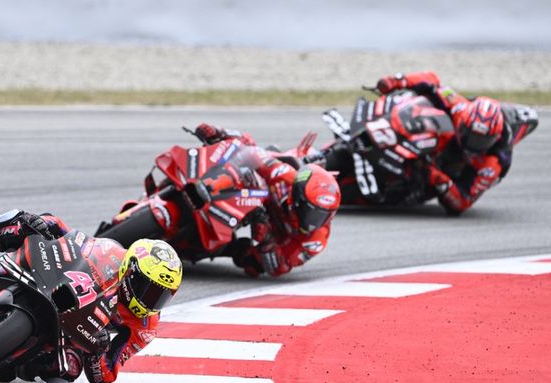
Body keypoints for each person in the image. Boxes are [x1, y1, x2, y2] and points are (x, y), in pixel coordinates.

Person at [0, 209, 183, 383]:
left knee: (65, 373)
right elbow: (77, 241)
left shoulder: (144, 328)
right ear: (130, 269)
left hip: (75, 335)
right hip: (56, 282)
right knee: (22, 221)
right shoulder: (112, 253)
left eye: (160, 295)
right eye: (148, 288)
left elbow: (106, 375)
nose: (151, 300)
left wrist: (99, 351)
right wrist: (44, 226)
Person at [375, 71, 538, 214]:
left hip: (462, 170)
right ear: (465, 123)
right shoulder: (460, 107)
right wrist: (398, 81)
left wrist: (438, 178)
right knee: (421, 103)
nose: (473, 143)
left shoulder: (492, 165)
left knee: (429, 185)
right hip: (451, 138)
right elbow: (432, 81)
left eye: (481, 140)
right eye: (471, 135)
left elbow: (461, 203)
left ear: (493, 139)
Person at [192, 123, 340, 277]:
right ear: (297, 198)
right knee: (245, 159)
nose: (314, 221)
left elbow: (280, 266)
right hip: (252, 200)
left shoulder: (315, 240)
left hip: (268, 234)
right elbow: (254, 152)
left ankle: (212, 244)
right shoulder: (285, 176)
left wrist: (267, 238)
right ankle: (208, 183)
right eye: (311, 212)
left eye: (323, 216)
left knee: (251, 264)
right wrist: (219, 133)